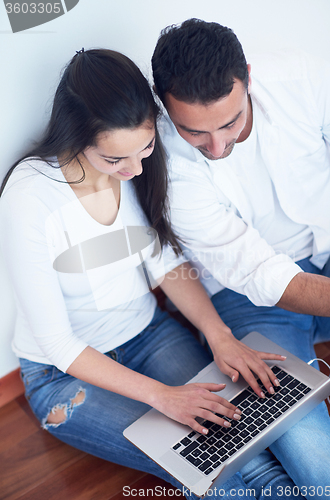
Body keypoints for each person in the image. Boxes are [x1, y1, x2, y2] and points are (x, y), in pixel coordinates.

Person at [0, 48, 304, 499]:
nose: (135, 170)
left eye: (145, 150)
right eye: (115, 160)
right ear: (75, 136)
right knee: (217, 472)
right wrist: (163, 396)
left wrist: (219, 335)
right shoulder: (30, 196)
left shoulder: (136, 167)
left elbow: (168, 267)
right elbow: (58, 345)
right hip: (63, 376)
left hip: (150, 335)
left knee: (251, 455)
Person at [152, 18, 330, 492]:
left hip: (329, 248)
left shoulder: (303, 75)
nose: (217, 146)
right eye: (195, 132)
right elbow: (260, 274)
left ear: (248, 77)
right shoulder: (164, 165)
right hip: (252, 298)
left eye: (230, 122)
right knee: (319, 469)